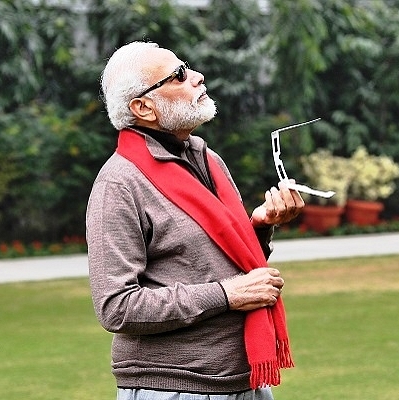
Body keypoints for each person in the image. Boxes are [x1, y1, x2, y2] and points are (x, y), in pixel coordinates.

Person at [86, 41, 304, 400]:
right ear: (143, 107)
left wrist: (261, 226)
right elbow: (116, 307)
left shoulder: (208, 160)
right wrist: (225, 295)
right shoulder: (119, 184)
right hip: (174, 387)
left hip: (245, 378)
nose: (197, 77)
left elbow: (216, 261)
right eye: (179, 76)